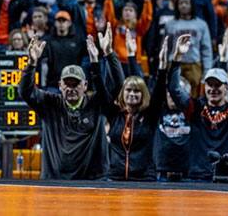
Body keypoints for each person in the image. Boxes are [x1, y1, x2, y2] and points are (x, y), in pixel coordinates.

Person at [168, 33, 228, 180]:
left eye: (218, 85)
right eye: (210, 84)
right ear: (205, 87)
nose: (213, 89)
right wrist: (177, 58)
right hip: (197, 176)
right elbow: (174, 89)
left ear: (226, 88)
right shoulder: (195, 108)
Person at [20, 36, 110, 180]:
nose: (71, 88)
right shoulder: (50, 103)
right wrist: (31, 64)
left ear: (85, 85)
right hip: (55, 182)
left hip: (92, 183)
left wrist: (95, 63)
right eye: (67, 84)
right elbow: (26, 92)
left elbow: (107, 91)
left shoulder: (96, 103)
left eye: (76, 84)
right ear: (60, 85)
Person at [102, 31, 169, 181]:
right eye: (129, 90)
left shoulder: (149, 115)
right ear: (123, 93)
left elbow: (158, 92)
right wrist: (99, 58)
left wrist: (163, 67)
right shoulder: (115, 115)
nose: (132, 94)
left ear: (143, 94)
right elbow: (101, 90)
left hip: (144, 179)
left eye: (137, 91)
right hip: (115, 178)